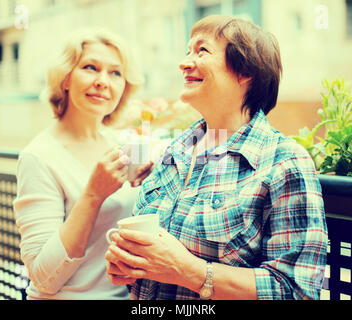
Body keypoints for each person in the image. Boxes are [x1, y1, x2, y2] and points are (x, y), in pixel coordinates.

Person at [105, 15, 328, 300]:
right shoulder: (175, 152)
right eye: (188, 51)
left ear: (245, 70)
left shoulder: (284, 162)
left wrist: (189, 271)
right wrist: (127, 264)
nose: (184, 62)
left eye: (202, 51)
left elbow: (297, 291)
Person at [13, 27, 153, 300]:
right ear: (65, 79)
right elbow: (43, 276)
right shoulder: (38, 156)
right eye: (90, 67)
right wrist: (92, 195)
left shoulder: (124, 144)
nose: (103, 81)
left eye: (115, 73)